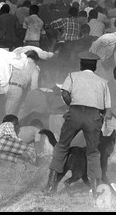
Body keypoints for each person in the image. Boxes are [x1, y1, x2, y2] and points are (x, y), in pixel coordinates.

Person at [43, 51, 111, 199]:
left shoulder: (72, 76)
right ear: (95, 66)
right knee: (93, 152)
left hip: (75, 112)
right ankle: (95, 190)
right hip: (93, 115)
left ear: (81, 65)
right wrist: (99, 118)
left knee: (62, 147)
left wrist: (71, 106)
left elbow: (65, 94)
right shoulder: (102, 81)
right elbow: (106, 107)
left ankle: (50, 185)